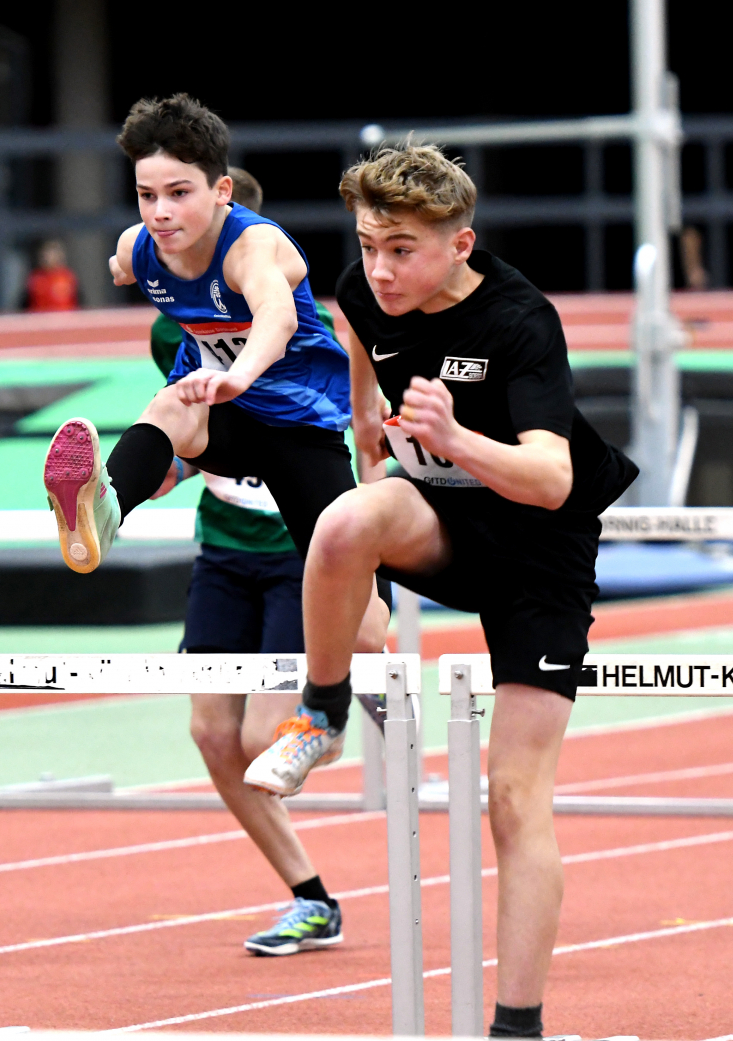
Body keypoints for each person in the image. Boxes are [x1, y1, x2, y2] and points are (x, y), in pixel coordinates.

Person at [245, 144, 638, 1036]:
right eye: (368, 244)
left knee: (514, 798)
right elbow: (357, 335)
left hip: (538, 547)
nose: (380, 269)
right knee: (344, 523)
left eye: (402, 250)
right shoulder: (361, 289)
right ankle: (321, 714)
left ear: (459, 244)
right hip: (443, 519)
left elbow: (550, 479)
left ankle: (514, 1026)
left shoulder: (519, 320)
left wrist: (453, 439)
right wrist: (365, 420)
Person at [42, 92, 389, 817]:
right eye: (146, 195)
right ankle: (103, 509)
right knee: (170, 407)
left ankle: (336, 709)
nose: (160, 212)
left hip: (297, 427)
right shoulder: (142, 247)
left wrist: (241, 374)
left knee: (362, 619)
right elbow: (122, 260)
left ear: (221, 190)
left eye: (178, 193)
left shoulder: (253, 246)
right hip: (220, 418)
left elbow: (276, 315)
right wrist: (122, 267)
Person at [148, 167, 348, 955]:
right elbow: (191, 426)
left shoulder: (292, 316)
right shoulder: (172, 323)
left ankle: (339, 697)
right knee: (211, 732)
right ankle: (310, 896)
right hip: (225, 550)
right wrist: (157, 469)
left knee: (267, 735)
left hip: (298, 555)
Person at [23, 239, 79, 311]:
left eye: (52, 253)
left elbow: (78, 302)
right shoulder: (35, 278)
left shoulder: (68, 277)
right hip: (41, 316)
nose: (48, 257)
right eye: (45, 254)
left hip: (64, 316)